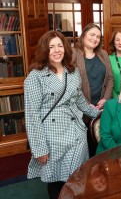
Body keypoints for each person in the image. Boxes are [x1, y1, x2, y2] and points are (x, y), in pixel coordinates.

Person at [24, 31, 100, 199]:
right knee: (57, 181)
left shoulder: (72, 72)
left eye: (60, 45)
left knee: (78, 178)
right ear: (45, 50)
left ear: (65, 48)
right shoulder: (35, 77)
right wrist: (39, 149)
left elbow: (79, 99)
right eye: (51, 47)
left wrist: (97, 113)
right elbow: (32, 117)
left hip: (77, 134)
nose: (57, 50)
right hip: (53, 138)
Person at [72, 23, 114, 157]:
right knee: (85, 147)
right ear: (84, 35)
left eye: (98, 37)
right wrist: (85, 105)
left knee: (101, 143)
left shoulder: (103, 54)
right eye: (92, 34)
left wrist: (105, 99)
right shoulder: (73, 54)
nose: (95, 39)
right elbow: (72, 84)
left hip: (102, 106)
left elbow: (110, 78)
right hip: (81, 108)